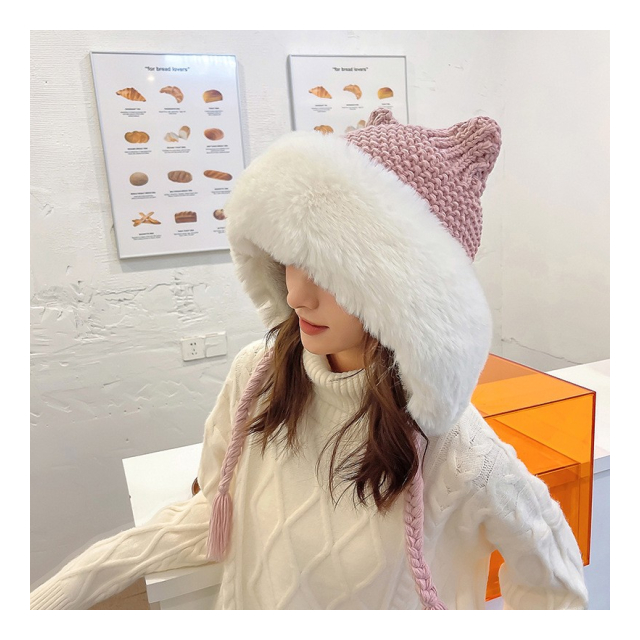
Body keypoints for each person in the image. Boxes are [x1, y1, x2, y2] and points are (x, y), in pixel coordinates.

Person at [31, 108, 588, 610]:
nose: (296, 294)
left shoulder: (454, 448)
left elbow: (556, 584)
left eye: (331, 270)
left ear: (407, 293)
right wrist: (69, 587)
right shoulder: (258, 374)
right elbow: (217, 512)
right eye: (293, 257)